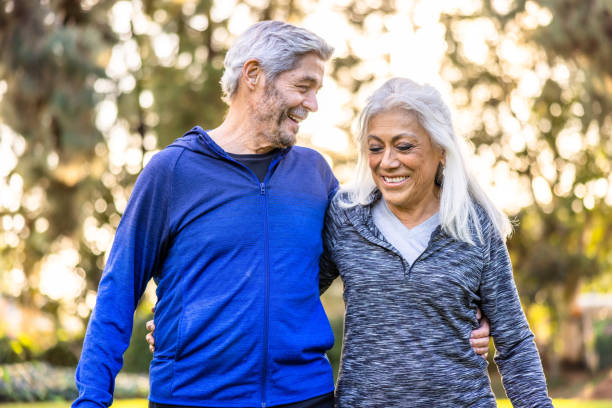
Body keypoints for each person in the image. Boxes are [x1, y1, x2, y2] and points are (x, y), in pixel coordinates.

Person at [75, 20, 490, 408]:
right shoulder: (172, 172)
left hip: (305, 396)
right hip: (192, 396)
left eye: (316, 90)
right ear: (253, 76)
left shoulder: (315, 174)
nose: (312, 104)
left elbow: (380, 253)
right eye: (304, 86)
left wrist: (463, 312)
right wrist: (93, 399)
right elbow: (117, 292)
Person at [317, 78, 553, 407]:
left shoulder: (475, 226)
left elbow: (514, 342)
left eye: (403, 146)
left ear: (441, 149)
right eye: (375, 147)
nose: (387, 161)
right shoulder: (345, 218)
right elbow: (294, 296)